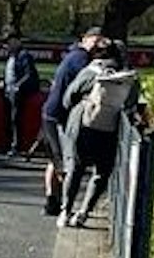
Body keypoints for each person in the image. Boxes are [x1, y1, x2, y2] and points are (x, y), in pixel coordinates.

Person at [59, 41, 140, 227]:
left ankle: (65, 211)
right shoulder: (129, 79)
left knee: (75, 169)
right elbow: (131, 106)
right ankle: (84, 213)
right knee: (101, 173)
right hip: (109, 130)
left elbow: (68, 98)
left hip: (82, 126)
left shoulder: (91, 71)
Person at [40, 27, 103, 216]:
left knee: (56, 160)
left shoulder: (73, 54)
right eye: (94, 42)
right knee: (64, 162)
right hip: (59, 115)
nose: (96, 47)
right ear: (85, 39)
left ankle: (53, 200)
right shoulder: (81, 59)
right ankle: (58, 202)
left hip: (51, 113)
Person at [1, 32, 40, 156]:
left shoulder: (24, 56)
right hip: (8, 90)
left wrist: (18, 86)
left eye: (9, 42)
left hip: (17, 92)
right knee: (9, 118)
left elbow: (29, 74)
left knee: (15, 119)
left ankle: (16, 145)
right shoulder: (11, 56)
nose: (7, 45)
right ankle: (8, 143)